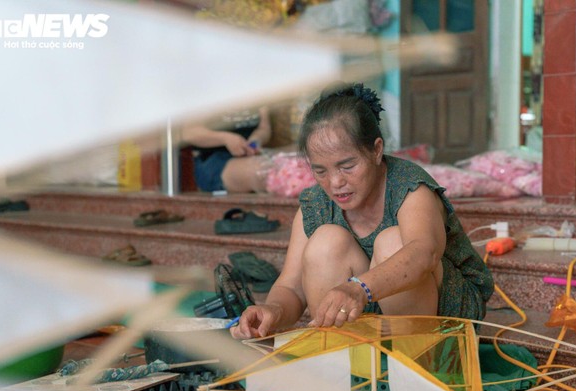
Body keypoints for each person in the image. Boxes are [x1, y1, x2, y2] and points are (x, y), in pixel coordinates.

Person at [231, 82, 494, 339]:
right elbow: (291, 286)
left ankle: (417, 362)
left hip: (444, 315)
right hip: (365, 307)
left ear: (377, 150)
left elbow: (424, 254)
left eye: (347, 166)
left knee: (391, 243)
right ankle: (344, 359)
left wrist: (359, 289)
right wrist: (272, 311)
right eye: (320, 171)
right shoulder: (316, 204)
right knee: (325, 242)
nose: (335, 182)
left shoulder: (410, 187)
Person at [183, 106, 272, 193]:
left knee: (276, 165)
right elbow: (189, 133)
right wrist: (225, 139)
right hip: (212, 161)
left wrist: (256, 140)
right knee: (264, 173)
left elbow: (263, 128)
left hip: (249, 156)